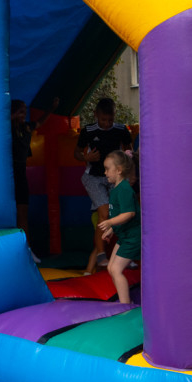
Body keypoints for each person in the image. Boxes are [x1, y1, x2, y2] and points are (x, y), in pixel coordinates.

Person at [74, 98, 132, 274]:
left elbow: (129, 151)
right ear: (96, 115)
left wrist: (127, 159)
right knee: (104, 213)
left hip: (114, 178)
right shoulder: (89, 131)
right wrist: (86, 158)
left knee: (121, 214)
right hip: (94, 177)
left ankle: (124, 253)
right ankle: (100, 254)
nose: (107, 124)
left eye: (110, 119)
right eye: (103, 120)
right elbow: (77, 152)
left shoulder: (121, 130)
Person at [10, 97, 58, 263]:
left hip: (20, 173)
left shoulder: (26, 127)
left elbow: (40, 122)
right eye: (20, 111)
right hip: (9, 173)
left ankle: (27, 249)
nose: (24, 114)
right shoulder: (6, 128)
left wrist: (51, 108)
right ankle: (13, 250)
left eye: (25, 111)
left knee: (23, 212)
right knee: (10, 212)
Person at [97, 151, 140, 304]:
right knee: (110, 268)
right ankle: (124, 301)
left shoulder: (124, 189)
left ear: (119, 170)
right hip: (125, 236)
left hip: (133, 237)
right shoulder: (117, 189)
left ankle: (125, 306)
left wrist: (110, 223)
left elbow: (129, 213)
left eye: (108, 169)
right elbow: (120, 216)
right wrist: (111, 230)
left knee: (116, 270)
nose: (105, 172)